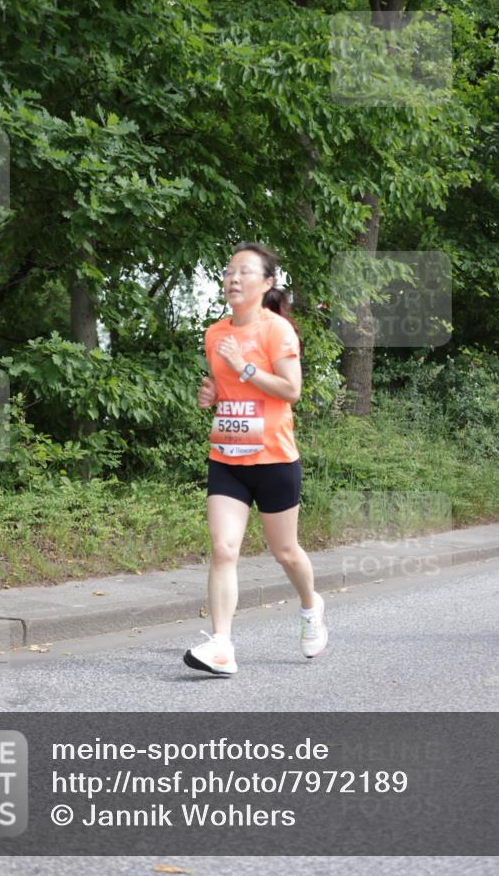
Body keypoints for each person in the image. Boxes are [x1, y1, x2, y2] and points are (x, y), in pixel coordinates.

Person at [183, 241, 328, 676]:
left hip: (274, 458)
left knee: (285, 551)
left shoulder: (276, 330)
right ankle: (222, 646)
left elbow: (291, 390)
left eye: (244, 272)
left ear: (266, 284)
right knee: (223, 548)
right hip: (226, 456)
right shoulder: (214, 334)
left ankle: (310, 606)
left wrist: (245, 367)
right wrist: (209, 394)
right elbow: (220, 390)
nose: (233, 278)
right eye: (229, 271)